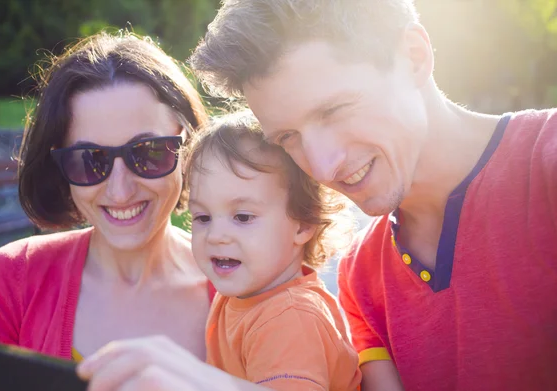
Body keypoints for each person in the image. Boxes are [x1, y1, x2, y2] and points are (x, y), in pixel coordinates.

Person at [188, 0, 557, 390]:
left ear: (414, 57)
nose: (322, 166)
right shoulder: (360, 278)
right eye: (288, 137)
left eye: (334, 111)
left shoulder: (546, 165)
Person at [0, 31, 213, 391]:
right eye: (89, 161)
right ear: (59, 168)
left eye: (148, 151)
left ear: (188, 144)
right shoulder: (10, 281)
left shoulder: (245, 284)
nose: (120, 190)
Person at [184, 112, 361, 390]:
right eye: (202, 217)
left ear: (303, 223)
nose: (216, 236)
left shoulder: (290, 318)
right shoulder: (243, 298)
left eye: (242, 217)